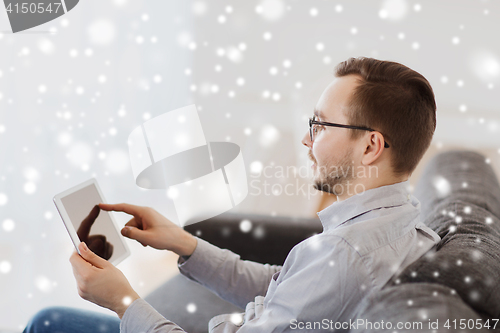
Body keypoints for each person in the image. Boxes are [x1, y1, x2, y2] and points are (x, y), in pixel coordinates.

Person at [23, 57, 441, 333]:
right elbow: (285, 285)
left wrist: (122, 300)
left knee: (48, 321)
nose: (305, 140)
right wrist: (187, 245)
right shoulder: (403, 222)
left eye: (321, 126)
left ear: (370, 146)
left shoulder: (345, 254)